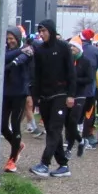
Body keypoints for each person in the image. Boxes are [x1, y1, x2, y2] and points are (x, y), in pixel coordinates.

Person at [28, 20, 76, 178]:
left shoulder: (63, 47)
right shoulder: (40, 50)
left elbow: (71, 72)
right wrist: (35, 98)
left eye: (44, 31)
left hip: (61, 95)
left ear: (51, 31)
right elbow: (37, 75)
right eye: (40, 31)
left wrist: (71, 94)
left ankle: (44, 163)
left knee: (55, 129)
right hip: (45, 96)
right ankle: (63, 164)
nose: (41, 34)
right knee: (51, 130)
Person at [0, 26, 33, 173]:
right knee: (2, 126)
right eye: (8, 39)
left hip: (19, 93)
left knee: (15, 124)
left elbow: (20, 59)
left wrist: (15, 59)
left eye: (12, 39)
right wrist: (17, 52)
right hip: (5, 92)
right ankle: (17, 144)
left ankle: (12, 159)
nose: (9, 41)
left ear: (18, 38)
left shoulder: (27, 51)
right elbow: (1, 58)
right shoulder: (9, 50)